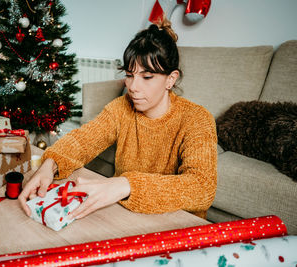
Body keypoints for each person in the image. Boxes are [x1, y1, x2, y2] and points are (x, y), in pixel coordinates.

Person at [18, 18, 217, 220]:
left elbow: (202, 187)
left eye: (147, 77)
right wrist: (49, 165)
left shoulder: (197, 118)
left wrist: (126, 184)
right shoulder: (122, 107)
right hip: (128, 215)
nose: (133, 87)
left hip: (176, 224)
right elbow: (83, 139)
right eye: (130, 75)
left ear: (171, 79)